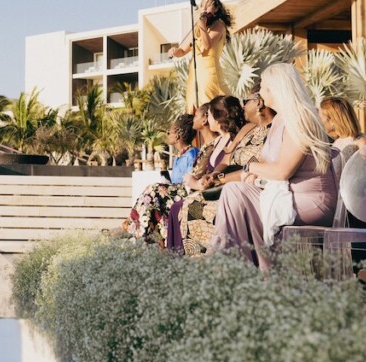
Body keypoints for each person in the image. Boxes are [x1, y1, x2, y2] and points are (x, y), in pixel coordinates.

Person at [209, 63, 337, 269]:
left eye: (263, 87)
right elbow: (270, 166)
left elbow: (283, 170)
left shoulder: (301, 118)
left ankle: (229, 262)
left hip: (310, 201)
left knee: (235, 193)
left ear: (276, 88)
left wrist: (251, 169)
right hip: (286, 193)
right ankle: (248, 267)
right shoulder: (280, 120)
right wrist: (255, 176)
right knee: (236, 191)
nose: (259, 92)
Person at [176, 90, 272, 256]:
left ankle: (219, 261)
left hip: (247, 185)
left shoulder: (273, 131)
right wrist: (213, 175)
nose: (243, 106)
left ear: (259, 103)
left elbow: (257, 168)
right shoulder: (248, 129)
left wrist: (220, 179)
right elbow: (226, 159)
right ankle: (196, 263)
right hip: (226, 181)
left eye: (246, 101)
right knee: (189, 203)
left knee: (193, 206)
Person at [123, 113, 199, 246]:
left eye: (169, 131)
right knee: (154, 201)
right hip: (174, 195)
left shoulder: (192, 154)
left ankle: (133, 227)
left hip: (187, 194)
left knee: (153, 189)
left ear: (177, 135)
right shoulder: (177, 158)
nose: (167, 134)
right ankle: (147, 238)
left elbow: (189, 181)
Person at [169, 0, 232, 113]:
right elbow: (182, 51)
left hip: (209, 73)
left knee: (210, 106)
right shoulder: (198, 27)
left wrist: (202, 25)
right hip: (195, 73)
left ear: (216, 9)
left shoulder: (219, 25)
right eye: (202, 5)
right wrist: (174, 51)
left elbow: (207, 45)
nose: (204, 8)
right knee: (193, 107)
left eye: (208, 5)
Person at [319, 96, 366, 163]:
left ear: (332, 121)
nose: (318, 121)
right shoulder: (336, 143)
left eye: (320, 118)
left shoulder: (361, 142)